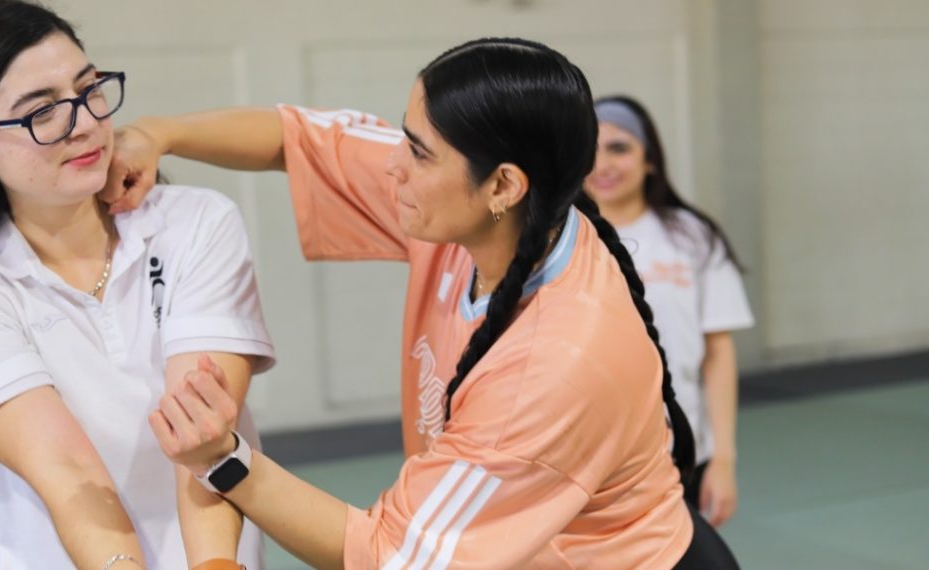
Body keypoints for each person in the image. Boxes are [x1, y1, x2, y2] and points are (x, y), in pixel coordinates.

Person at [106, 38, 739, 568]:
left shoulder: (553, 361)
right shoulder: (498, 216)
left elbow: (388, 554)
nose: (391, 169)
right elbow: (296, 139)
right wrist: (160, 134)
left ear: (503, 184)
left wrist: (225, 460)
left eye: (416, 152)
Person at [0, 1, 274, 569]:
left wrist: (212, 566)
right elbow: (68, 473)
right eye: (41, 112)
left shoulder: (194, 223)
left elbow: (203, 437)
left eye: (88, 89)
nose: (84, 123)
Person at [584, 95, 754, 527]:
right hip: (588, 461)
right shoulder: (558, 241)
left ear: (650, 160)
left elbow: (718, 351)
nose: (602, 164)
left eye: (619, 147)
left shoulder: (694, 238)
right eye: (591, 149)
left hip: (682, 449)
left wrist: (725, 460)